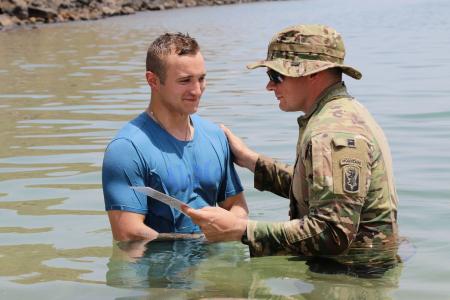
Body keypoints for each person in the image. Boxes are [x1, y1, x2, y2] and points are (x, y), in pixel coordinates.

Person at [184, 24, 399, 260]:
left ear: (312, 73)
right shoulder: (343, 113)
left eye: (276, 76)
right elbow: (317, 191)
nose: (269, 86)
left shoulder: (331, 133)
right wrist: (251, 160)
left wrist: (242, 230)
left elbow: (332, 233)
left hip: (351, 281)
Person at [102, 32, 248, 242]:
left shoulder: (216, 136)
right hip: (163, 273)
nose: (197, 90)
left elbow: (237, 205)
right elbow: (129, 233)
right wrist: (200, 243)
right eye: (185, 81)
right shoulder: (126, 149)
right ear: (153, 80)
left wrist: (232, 226)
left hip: (217, 267)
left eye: (202, 78)